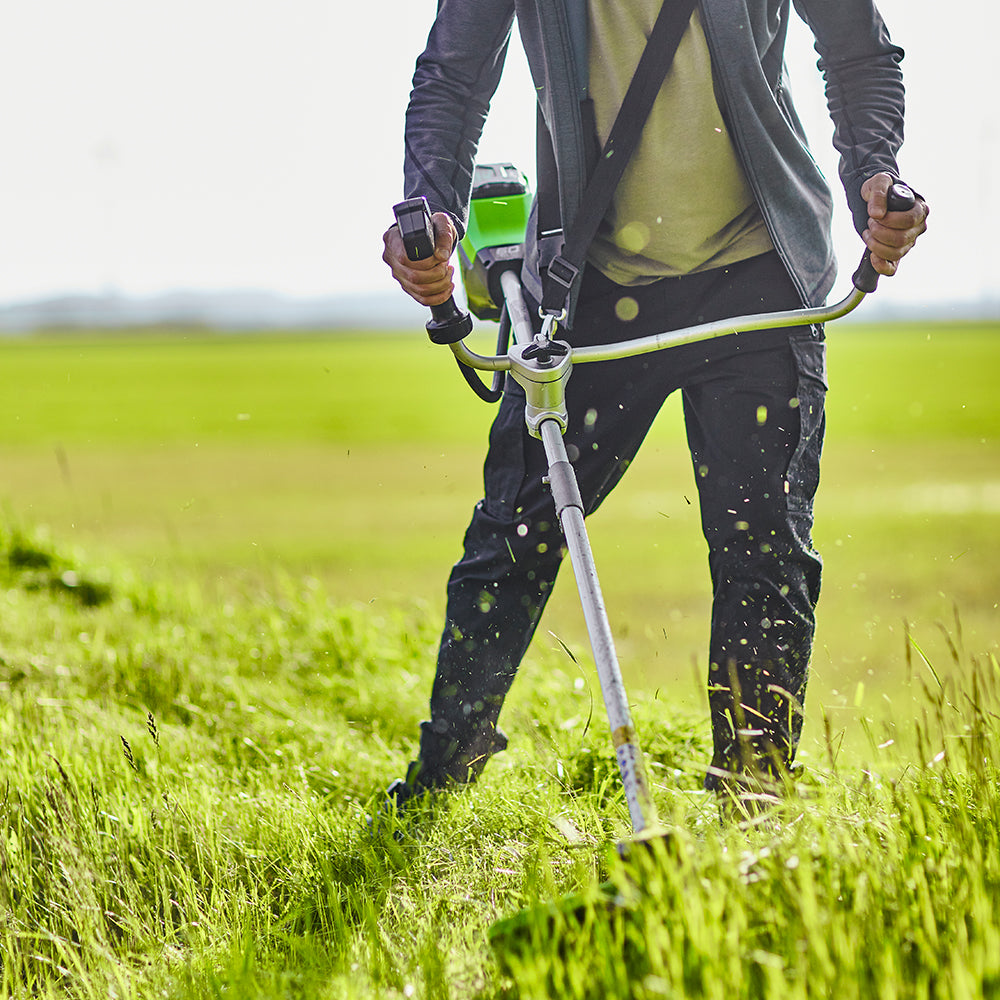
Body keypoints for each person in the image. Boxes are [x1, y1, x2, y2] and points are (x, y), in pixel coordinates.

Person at [381, 0, 928, 809]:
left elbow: (859, 49)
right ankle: (440, 781)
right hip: (588, 283)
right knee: (516, 532)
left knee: (763, 548)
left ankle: (753, 807)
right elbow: (454, 77)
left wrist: (875, 175)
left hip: (757, 277)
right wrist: (429, 208)